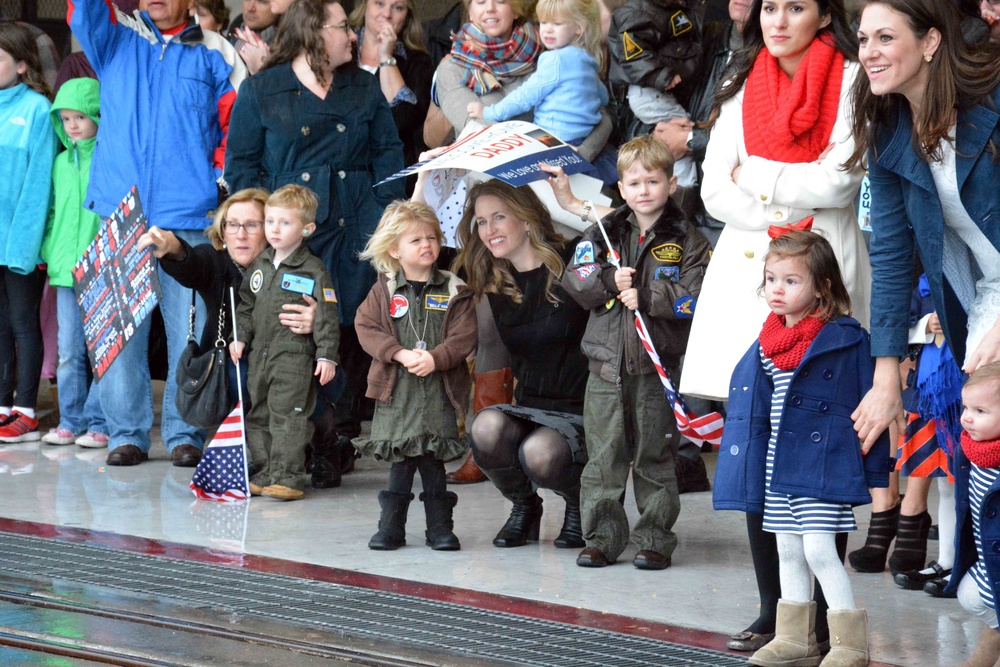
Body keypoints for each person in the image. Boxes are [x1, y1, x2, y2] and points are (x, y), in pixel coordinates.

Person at [687, 0, 870, 651]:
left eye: (797, 6)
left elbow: (842, 183)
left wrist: (755, 178)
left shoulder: (851, 79)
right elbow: (712, 189)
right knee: (756, 445)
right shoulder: (740, 84)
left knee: (817, 444)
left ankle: (824, 613)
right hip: (749, 282)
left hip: (824, 276)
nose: (779, 18)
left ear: (824, 15)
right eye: (771, 5)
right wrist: (788, 188)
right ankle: (777, 611)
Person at [847, 0, 1000, 660]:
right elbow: (890, 257)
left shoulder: (992, 105)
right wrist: (886, 379)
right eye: (863, 39)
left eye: (886, 36)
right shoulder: (889, 133)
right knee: (985, 469)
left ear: (931, 41)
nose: (870, 51)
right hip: (977, 309)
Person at [226, 0, 406, 469]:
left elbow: (389, 155)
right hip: (294, 236)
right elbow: (242, 168)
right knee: (292, 334)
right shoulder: (265, 88)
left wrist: (384, 219)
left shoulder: (363, 87)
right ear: (312, 33)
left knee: (346, 332)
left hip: (356, 226)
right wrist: (265, 228)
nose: (353, 36)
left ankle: (337, 438)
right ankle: (304, 436)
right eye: (343, 27)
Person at [67, 0, 247, 467]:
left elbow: (236, 127)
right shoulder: (116, 39)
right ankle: (125, 434)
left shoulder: (217, 52)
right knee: (119, 333)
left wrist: (215, 184)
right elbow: (83, 10)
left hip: (189, 215)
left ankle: (185, 432)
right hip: (120, 212)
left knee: (187, 330)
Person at [715, 230, 891, 667]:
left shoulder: (845, 338)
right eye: (772, 278)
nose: (777, 288)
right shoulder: (768, 340)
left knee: (818, 549)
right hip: (778, 463)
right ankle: (796, 640)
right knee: (788, 548)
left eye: (791, 281)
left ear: (822, 287)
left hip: (821, 465)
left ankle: (849, 643)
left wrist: (872, 472)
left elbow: (869, 406)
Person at [561, 135, 711, 570]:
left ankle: (654, 539)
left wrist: (647, 295)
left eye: (653, 180)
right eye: (634, 182)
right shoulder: (603, 233)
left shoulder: (689, 239)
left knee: (654, 457)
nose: (644, 190)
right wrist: (610, 280)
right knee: (604, 458)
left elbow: (694, 300)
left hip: (654, 368)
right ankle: (603, 538)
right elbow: (576, 280)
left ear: (671, 182)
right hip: (605, 370)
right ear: (621, 188)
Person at [450, 178, 590, 549]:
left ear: (527, 220)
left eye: (499, 217)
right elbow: (489, 361)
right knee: (485, 427)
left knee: (539, 453)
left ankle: (580, 503)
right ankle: (524, 507)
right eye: (481, 221)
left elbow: (618, 228)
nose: (489, 230)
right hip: (532, 408)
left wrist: (572, 203)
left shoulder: (573, 260)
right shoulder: (494, 283)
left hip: (584, 409)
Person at [353, 201, 477, 551]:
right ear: (395, 249)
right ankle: (390, 528)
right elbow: (366, 327)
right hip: (397, 394)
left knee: (433, 462)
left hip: (437, 392)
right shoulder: (384, 289)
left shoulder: (455, 289)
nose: (427, 246)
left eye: (432, 238)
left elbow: (464, 336)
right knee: (401, 462)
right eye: (416, 240)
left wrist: (437, 358)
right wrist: (398, 352)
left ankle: (440, 528)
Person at [231, 185, 340, 501]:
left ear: (307, 229)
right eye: (270, 221)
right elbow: (246, 306)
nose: (274, 230)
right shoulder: (261, 264)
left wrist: (327, 355)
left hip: (294, 357)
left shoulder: (313, 269)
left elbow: (327, 315)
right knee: (259, 414)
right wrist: (240, 339)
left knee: (289, 415)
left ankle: (288, 476)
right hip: (260, 356)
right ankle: (264, 471)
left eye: (285, 223)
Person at [435, 0, 611, 163]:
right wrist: (545, 150)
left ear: (515, 10)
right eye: (481, 1)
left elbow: (600, 115)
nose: (490, 8)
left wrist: (579, 154)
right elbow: (475, 128)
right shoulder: (452, 68)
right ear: (470, 13)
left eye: (500, 0)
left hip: (561, 171)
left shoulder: (549, 53)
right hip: (495, 181)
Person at [37, 77, 108, 449]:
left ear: (98, 115)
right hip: (65, 269)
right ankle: (70, 421)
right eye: (64, 119)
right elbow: (51, 212)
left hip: (100, 269)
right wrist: (50, 249)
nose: (72, 126)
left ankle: (99, 422)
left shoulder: (111, 159)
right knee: (69, 351)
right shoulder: (61, 162)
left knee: (103, 351)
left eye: (80, 116)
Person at [0, 22, 56, 444]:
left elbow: (39, 185)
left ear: (21, 65)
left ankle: (26, 409)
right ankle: (3, 406)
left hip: (20, 241)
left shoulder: (37, 108)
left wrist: (23, 244)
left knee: (22, 323)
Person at [606, 0, 701, 188]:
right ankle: (684, 187)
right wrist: (661, 75)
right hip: (647, 92)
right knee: (681, 128)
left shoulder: (666, 8)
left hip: (652, 91)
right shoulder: (640, 12)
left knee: (677, 131)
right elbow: (633, 53)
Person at [951, 363, 1000, 667]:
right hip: (986, 555)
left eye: (980, 411)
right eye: (966, 407)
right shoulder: (971, 450)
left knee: (977, 596)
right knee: (971, 595)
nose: (967, 417)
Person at [349, 0, 434, 174]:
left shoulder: (418, 62)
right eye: (379, 4)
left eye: (397, 8)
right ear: (365, 6)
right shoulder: (339, 49)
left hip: (390, 170)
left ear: (407, 16)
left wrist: (386, 56)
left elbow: (402, 120)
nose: (387, 14)